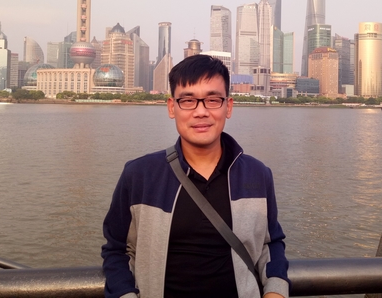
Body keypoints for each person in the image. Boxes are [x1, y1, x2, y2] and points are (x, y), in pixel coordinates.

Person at [101, 54, 289, 298]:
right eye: (188, 100)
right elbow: (116, 250)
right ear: (172, 107)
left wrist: (276, 290)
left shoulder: (258, 174)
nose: (201, 112)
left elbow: (271, 243)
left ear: (228, 107)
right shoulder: (140, 175)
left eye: (213, 100)